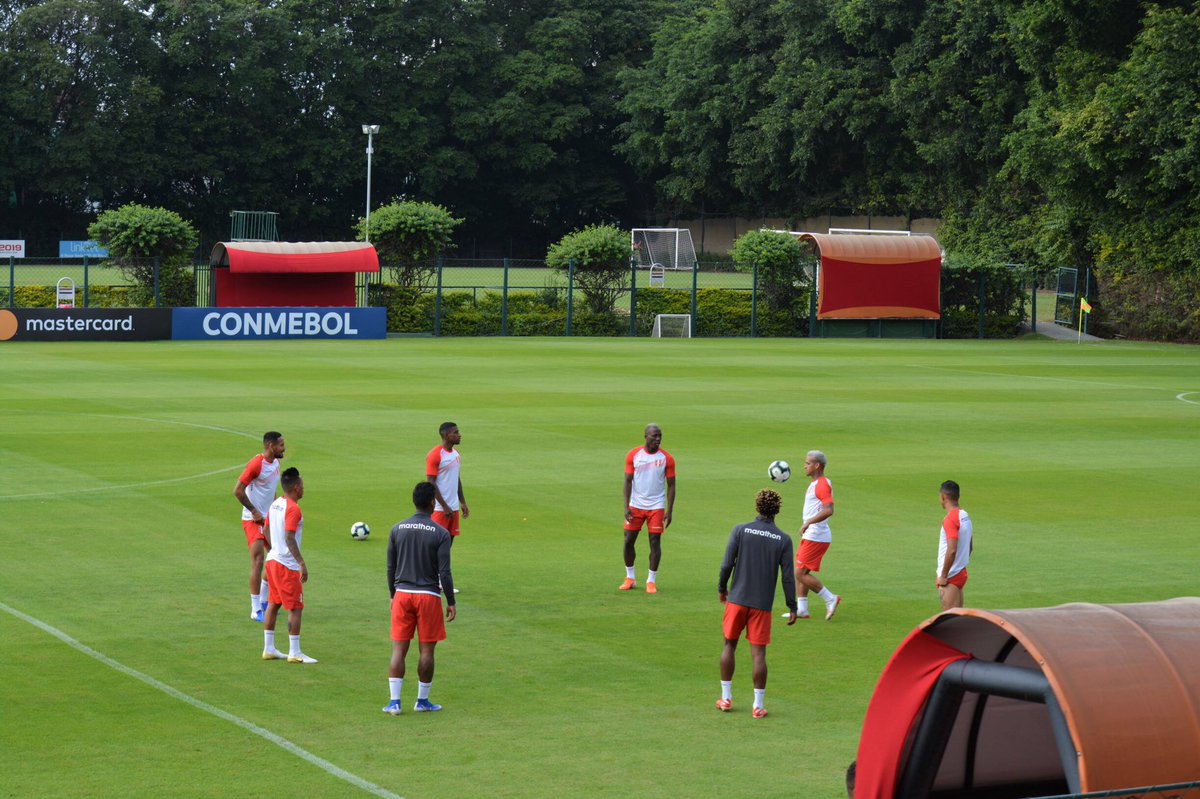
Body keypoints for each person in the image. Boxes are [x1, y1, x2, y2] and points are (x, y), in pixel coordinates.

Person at [717, 489, 797, 718]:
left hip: (737, 599)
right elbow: (788, 577)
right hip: (762, 605)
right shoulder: (783, 539)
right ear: (777, 511)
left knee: (729, 646)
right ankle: (758, 706)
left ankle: (726, 699)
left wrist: (722, 589)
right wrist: (792, 606)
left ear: (757, 508)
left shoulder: (740, 530)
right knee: (759, 655)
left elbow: (726, 565)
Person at [383, 481, 456, 715]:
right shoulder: (441, 533)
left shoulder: (397, 529)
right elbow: (444, 571)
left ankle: (394, 702)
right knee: (427, 652)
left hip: (402, 595)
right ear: (432, 503)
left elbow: (390, 567)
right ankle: (422, 701)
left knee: (398, 650)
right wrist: (451, 602)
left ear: (414, 501)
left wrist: (393, 595)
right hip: (428, 596)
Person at [261, 467, 316, 664]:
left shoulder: (275, 504)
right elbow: (289, 537)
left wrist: (272, 549)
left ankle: (269, 648)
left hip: (273, 561)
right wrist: (301, 563)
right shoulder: (293, 509)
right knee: (295, 608)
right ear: (295, 487)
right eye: (301, 485)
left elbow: (265, 529)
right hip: (286, 566)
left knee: (274, 604)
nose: (303, 488)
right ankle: (295, 651)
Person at [233, 431, 285, 622]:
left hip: (268, 520)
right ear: (271, 446)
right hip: (252, 519)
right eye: (281, 445)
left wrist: (274, 513)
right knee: (258, 560)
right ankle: (255, 609)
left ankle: (264, 601)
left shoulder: (276, 463)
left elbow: (271, 491)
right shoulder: (256, 464)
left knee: (276, 559)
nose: (284, 448)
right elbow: (237, 490)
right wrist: (254, 511)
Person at [620, 423, 676, 594]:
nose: (658, 439)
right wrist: (626, 507)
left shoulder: (667, 458)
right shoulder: (633, 455)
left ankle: (651, 581)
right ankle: (630, 577)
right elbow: (628, 481)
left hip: (656, 506)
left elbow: (672, 485)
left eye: (660, 435)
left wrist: (670, 510)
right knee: (629, 540)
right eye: (654, 436)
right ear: (646, 436)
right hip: (636, 505)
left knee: (654, 542)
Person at [792, 450, 841, 621]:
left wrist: (808, 522)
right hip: (812, 535)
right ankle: (802, 610)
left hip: (816, 535)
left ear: (817, 465)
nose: (804, 466)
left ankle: (830, 598)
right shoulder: (818, 483)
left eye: (808, 463)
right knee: (801, 571)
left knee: (799, 573)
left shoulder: (821, 484)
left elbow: (829, 510)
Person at [936, 480, 973, 610]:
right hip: (960, 572)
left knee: (949, 621)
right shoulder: (965, 516)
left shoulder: (950, 519)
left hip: (950, 577)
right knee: (957, 619)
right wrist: (961, 562)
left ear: (943, 497)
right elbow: (970, 545)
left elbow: (952, 550)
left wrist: (944, 576)